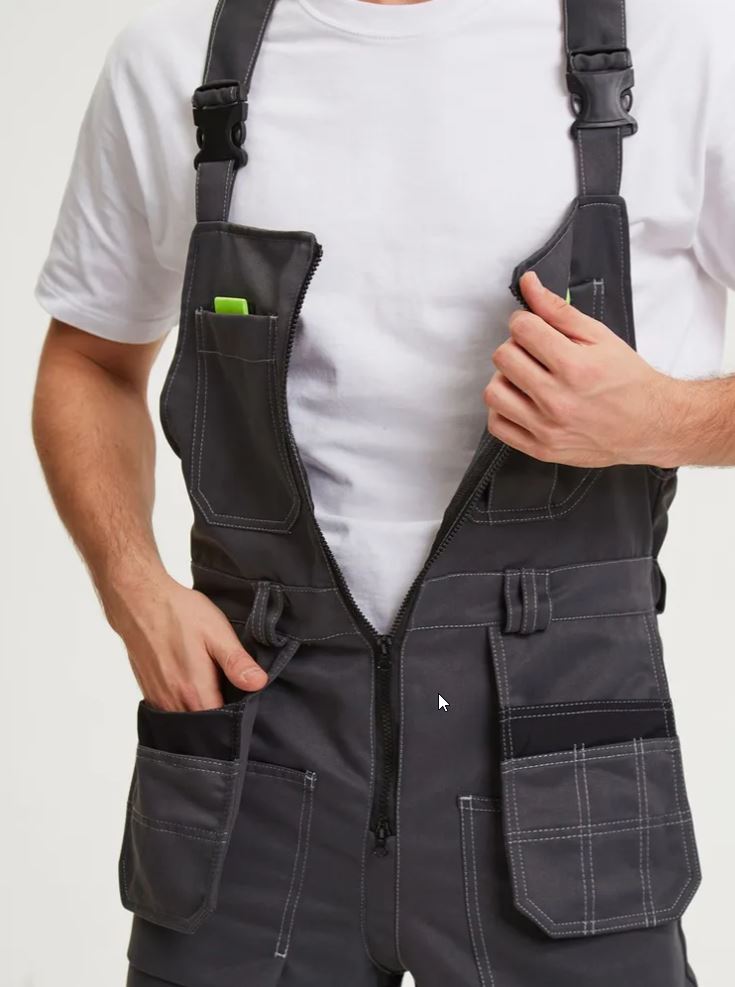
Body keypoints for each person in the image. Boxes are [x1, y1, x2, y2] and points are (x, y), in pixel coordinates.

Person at [32, 0, 733, 984]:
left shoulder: (680, 46)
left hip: (566, 759)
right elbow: (89, 361)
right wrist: (130, 584)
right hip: (256, 745)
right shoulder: (177, 61)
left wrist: (662, 418)